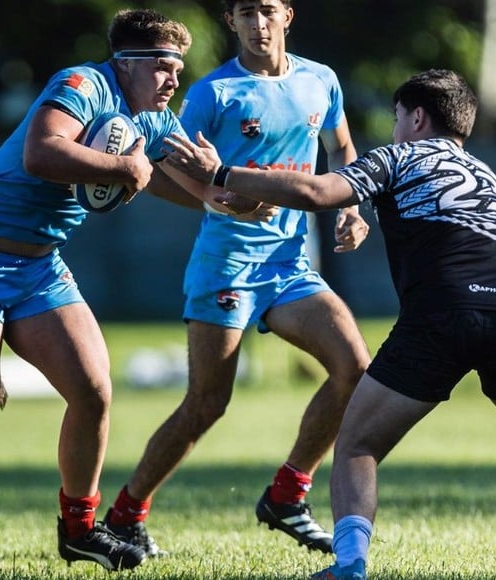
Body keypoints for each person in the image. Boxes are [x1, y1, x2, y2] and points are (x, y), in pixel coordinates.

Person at [163, 68, 496, 580]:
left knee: (358, 445)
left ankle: (350, 565)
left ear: (417, 117)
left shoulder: (400, 155)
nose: (396, 127)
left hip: (442, 314)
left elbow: (316, 191)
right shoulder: (486, 175)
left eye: (399, 117)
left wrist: (222, 173)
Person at [0, 8, 226, 572]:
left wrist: (230, 191)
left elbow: (192, 182)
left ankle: (78, 529)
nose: (175, 79)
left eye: (177, 67)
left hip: (40, 270)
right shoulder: (82, 83)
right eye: (163, 66)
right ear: (126, 65)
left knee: (93, 389)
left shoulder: (153, 116)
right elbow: (43, 152)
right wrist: (124, 168)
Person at [102, 0, 372, 557]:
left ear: (288, 15)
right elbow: (158, 163)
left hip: (291, 267)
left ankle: (287, 495)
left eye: (266, 9)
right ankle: (126, 514)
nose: (257, 23)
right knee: (207, 403)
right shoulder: (213, 94)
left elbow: (341, 147)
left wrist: (351, 203)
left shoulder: (320, 79)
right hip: (227, 266)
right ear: (231, 22)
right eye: (244, 12)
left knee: (355, 369)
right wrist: (214, 200)